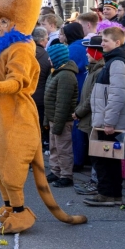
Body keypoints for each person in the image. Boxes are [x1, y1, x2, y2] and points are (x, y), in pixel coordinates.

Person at [84, 27, 125, 207]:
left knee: (105, 159)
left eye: (106, 41)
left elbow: (117, 95)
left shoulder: (118, 63)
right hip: (107, 120)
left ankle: (107, 194)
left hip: (110, 122)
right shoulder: (113, 60)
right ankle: (111, 194)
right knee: (107, 159)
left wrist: (109, 122)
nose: (102, 44)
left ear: (117, 42)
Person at [72, 35, 106, 196]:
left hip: (94, 117)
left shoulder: (99, 71)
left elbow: (93, 96)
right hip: (88, 116)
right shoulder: (92, 70)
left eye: (89, 50)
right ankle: (94, 180)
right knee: (93, 151)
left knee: (97, 153)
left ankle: (96, 182)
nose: (86, 53)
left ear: (97, 52)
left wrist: (79, 112)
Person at [44, 43, 79, 188]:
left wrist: (57, 124)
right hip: (54, 118)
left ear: (57, 58)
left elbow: (63, 103)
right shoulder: (56, 72)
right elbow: (49, 99)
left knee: (63, 149)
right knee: (54, 147)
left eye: (50, 57)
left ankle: (66, 175)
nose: (48, 59)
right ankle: (56, 171)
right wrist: (47, 120)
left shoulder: (66, 75)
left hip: (62, 120)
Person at [32, 27, 51, 152]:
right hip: (40, 98)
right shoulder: (47, 56)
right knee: (38, 125)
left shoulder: (24, 52)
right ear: (43, 40)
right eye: (46, 39)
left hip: (25, 95)